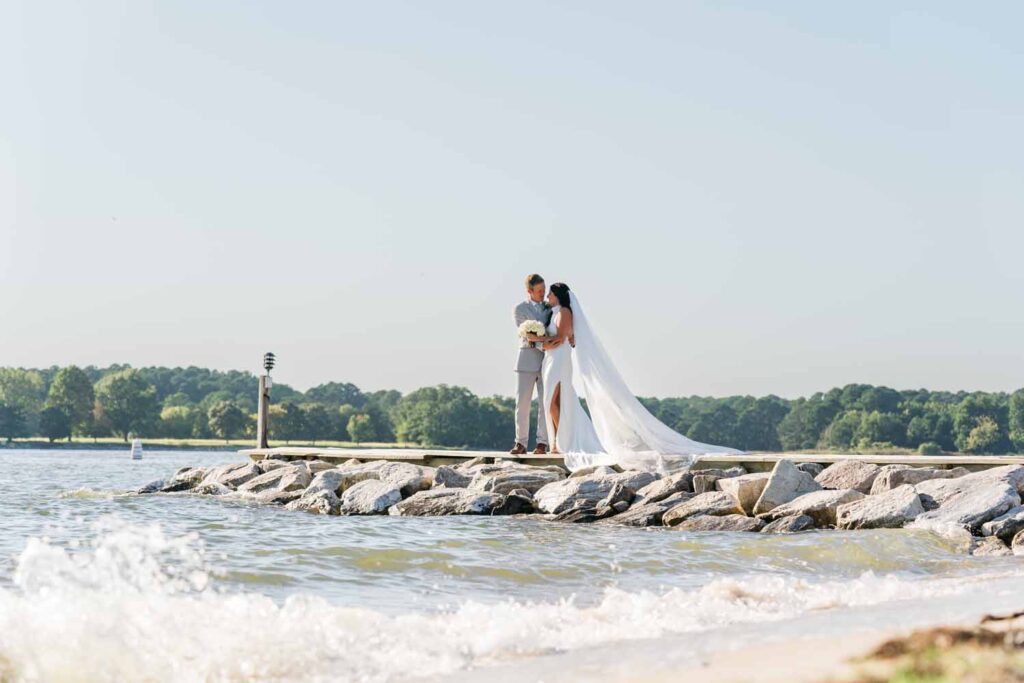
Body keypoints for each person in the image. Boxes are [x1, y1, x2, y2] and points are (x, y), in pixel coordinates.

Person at [525, 282, 742, 472]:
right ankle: (559, 441)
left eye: (551, 293)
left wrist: (537, 341)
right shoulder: (555, 313)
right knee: (555, 401)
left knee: (552, 400)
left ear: (559, 296)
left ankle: (557, 442)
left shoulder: (564, 312)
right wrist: (544, 341)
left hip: (558, 358)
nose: (548, 297)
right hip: (552, 358)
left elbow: (562, 338)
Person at [510, 273, 550, 455]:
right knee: (522, 403)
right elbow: (526, 335)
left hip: (546, 361)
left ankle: (542, 443)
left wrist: (544, 341)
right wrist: (548, 341)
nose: (543, 293)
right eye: (539, 291)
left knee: (544, 404)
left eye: (544, 290)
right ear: (529, 291)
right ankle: (520, 443)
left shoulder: (550, 308)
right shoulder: (519, 309)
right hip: (526, 360)